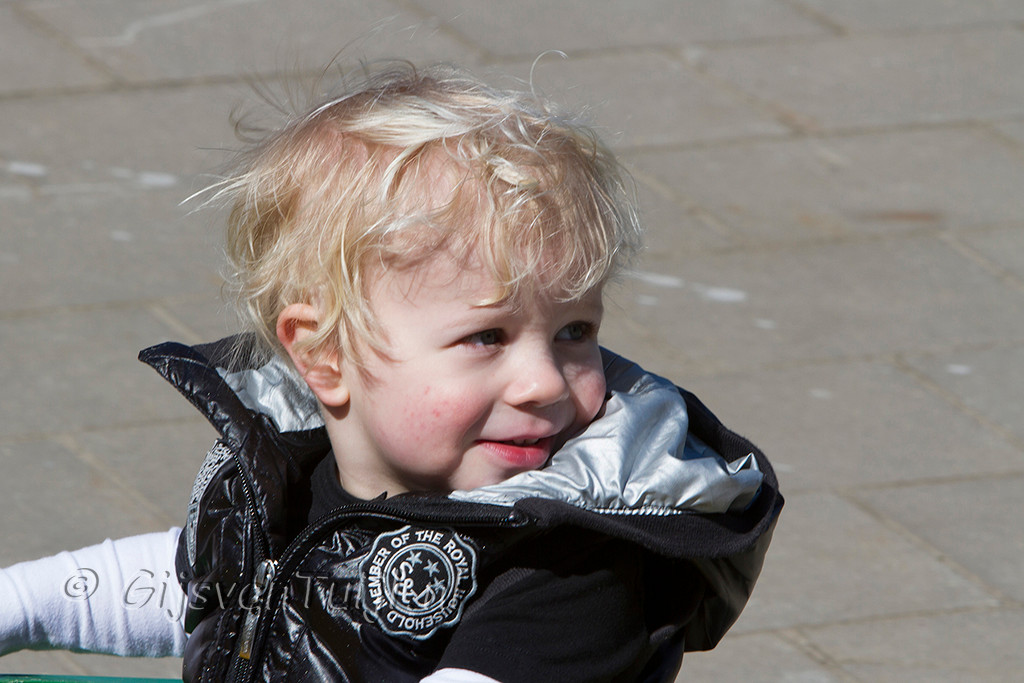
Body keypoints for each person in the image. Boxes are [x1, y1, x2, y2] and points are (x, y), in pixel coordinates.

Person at [0, 62, 782, 682]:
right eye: (487, 336)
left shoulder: (571, 566)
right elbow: (207, 584)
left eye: (575, 330)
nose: (545, 381)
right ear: (323, 357)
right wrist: (20, 604)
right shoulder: (289, 482)